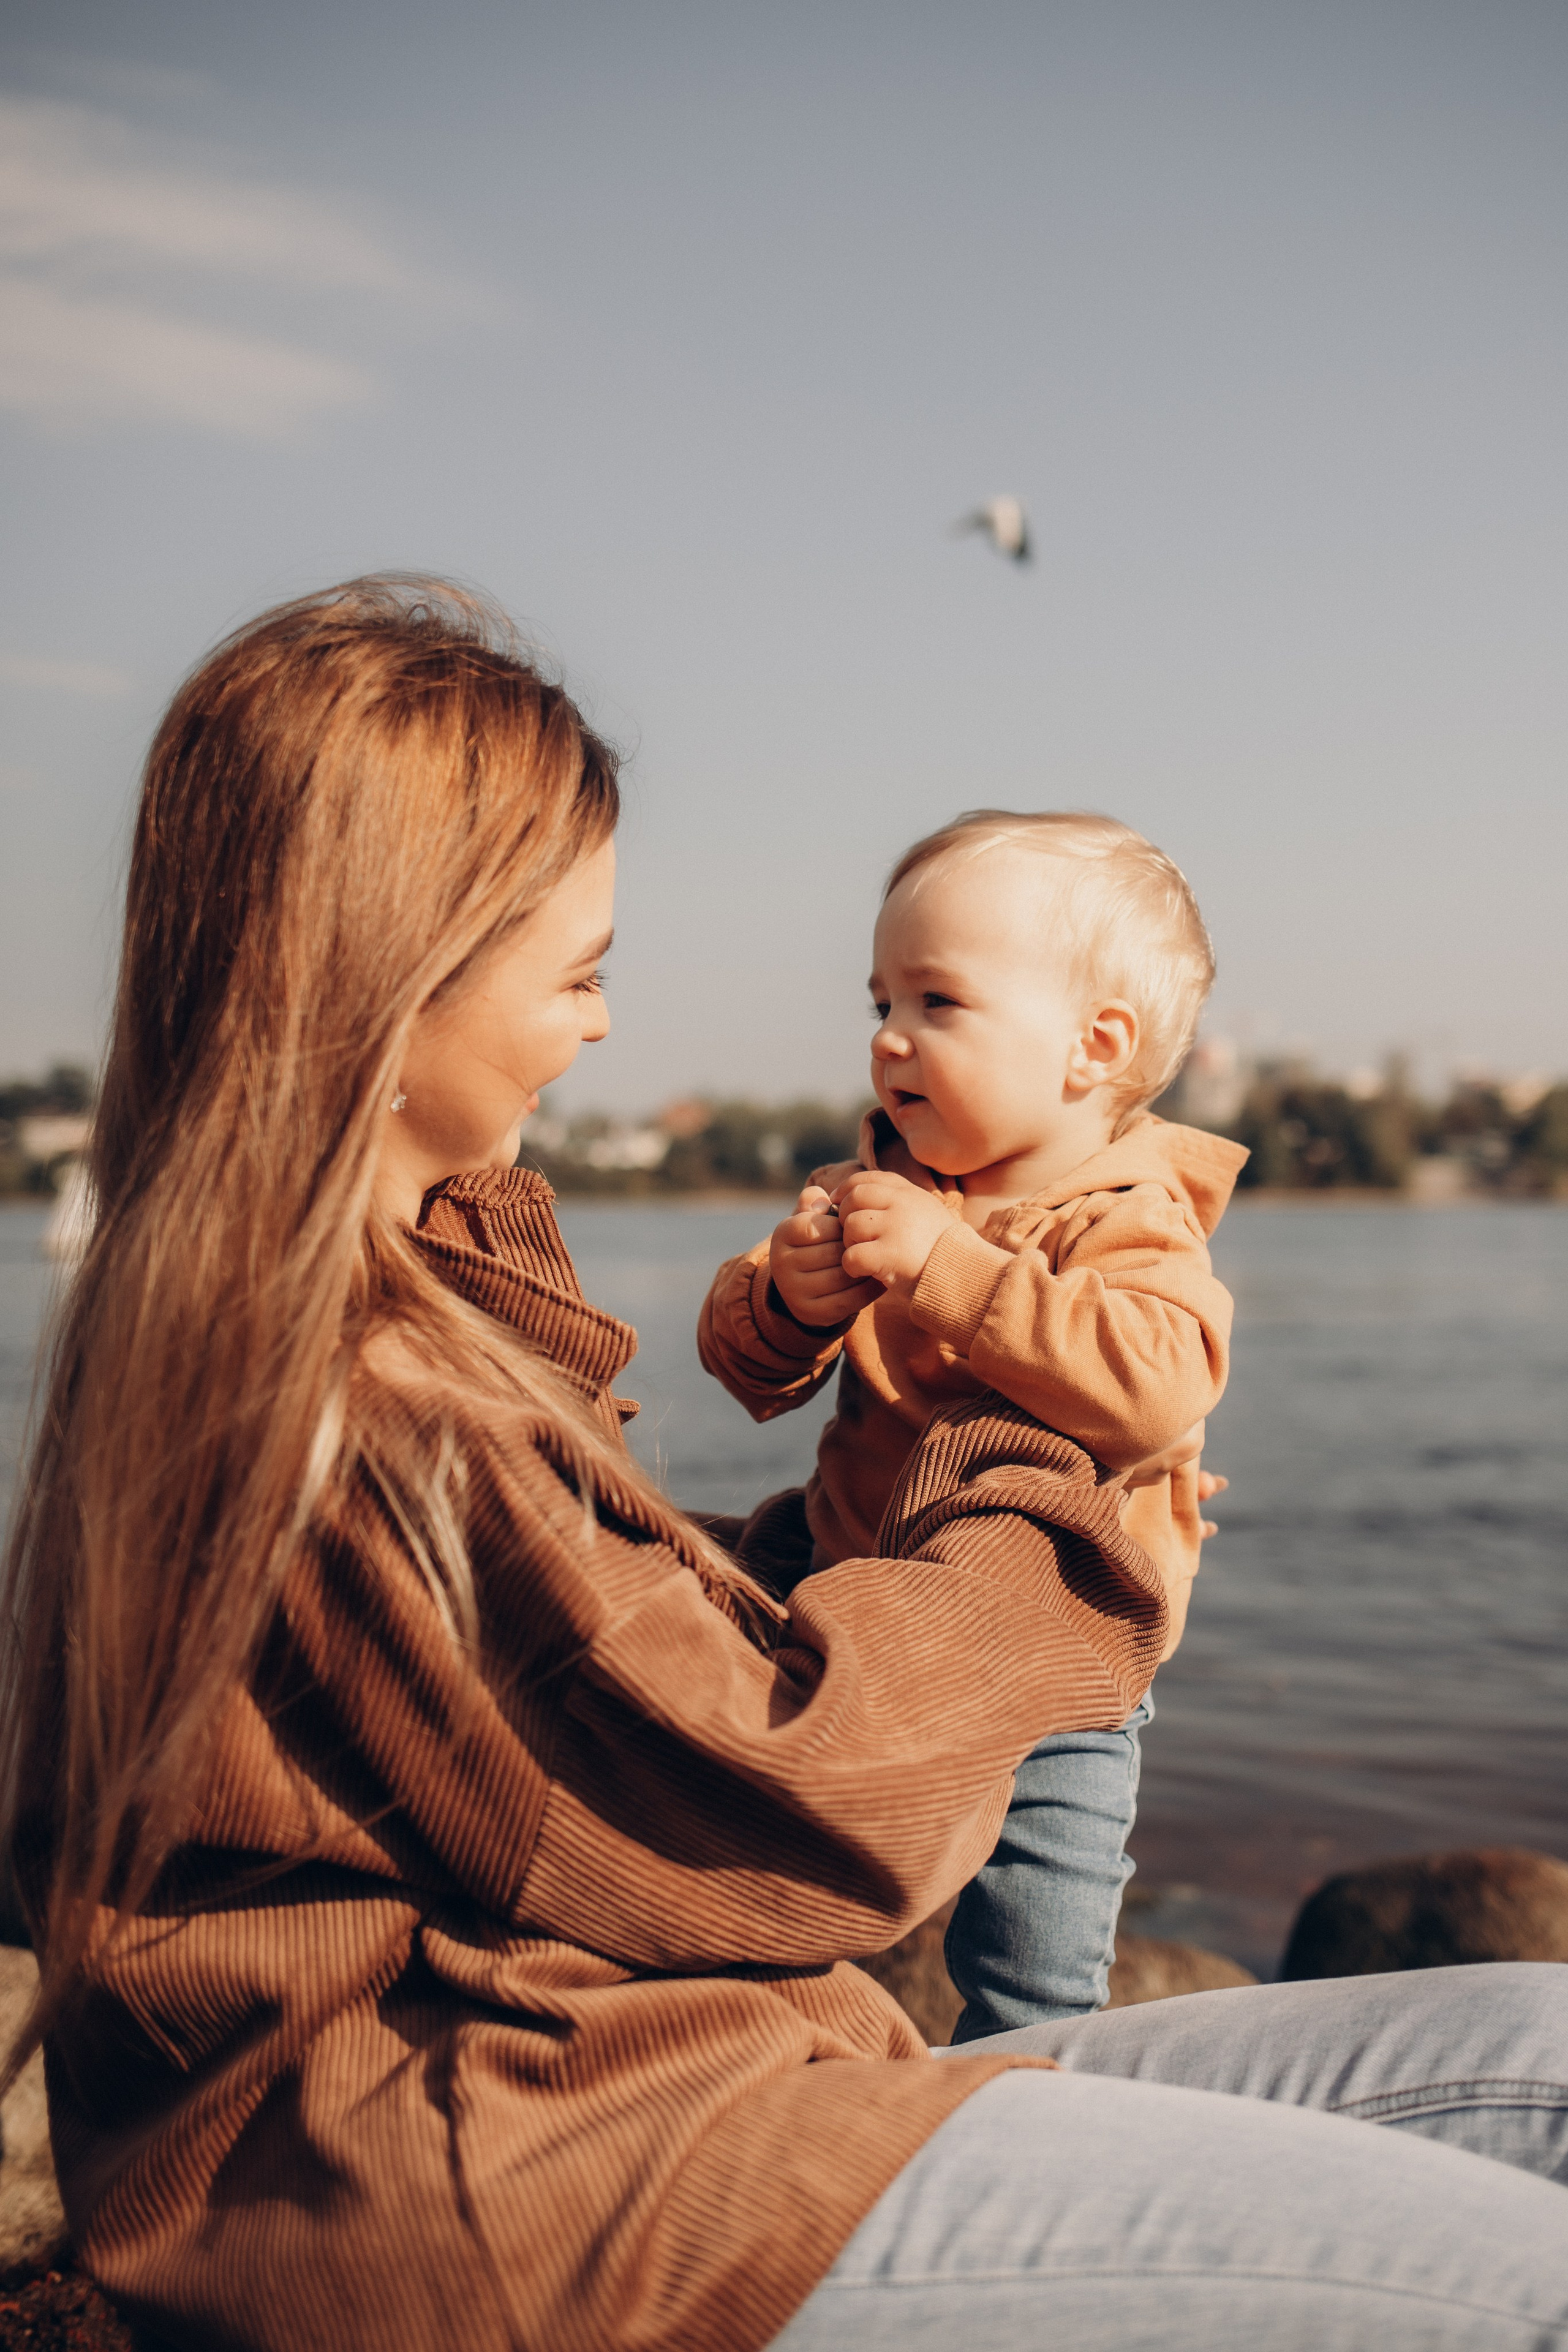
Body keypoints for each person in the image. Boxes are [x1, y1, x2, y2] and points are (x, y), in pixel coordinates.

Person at [2, 578, 1564, 2352]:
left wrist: (879, 1497)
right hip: (531, 2172)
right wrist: (1051, 1489)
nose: (600, 1028)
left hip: (663, 2079)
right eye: (580, 972)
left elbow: (594, 1685)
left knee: (1547, 2062)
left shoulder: (349, 1327)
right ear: (390, 972)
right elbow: (806, 1800)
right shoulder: (354, 1388)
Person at [699, 813, 1246, 2034]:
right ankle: (756, 2024)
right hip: (861, 1609)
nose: (889, 1038)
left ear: (1087, 1049)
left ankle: (1035, 2067)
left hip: (1056, 1649)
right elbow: (740, 1368)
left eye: (937, 1002)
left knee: (1037, 1930)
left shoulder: (1127, 1218)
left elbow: (1159, 1382)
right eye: (879, 1000)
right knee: (763, 1839)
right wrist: (784, 1300)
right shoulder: (868, 1192)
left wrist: (950, 1267)